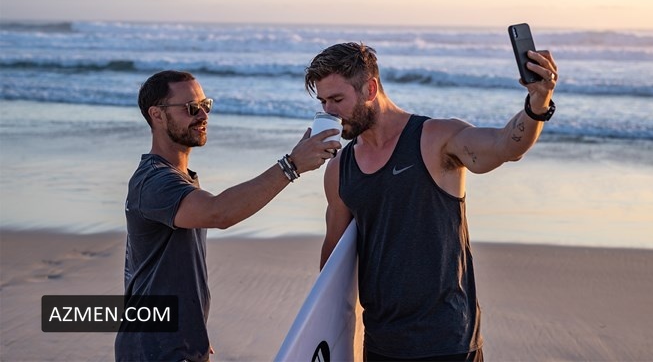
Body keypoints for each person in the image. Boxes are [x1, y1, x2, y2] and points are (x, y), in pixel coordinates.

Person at [304, 42, 558, 361]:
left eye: (337, 99)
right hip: (381, 344)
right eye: (323, 101)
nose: (328, 111)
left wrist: (538, 103)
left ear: (370, 89)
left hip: (448, 341)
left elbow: (505, 145)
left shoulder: (436, 138)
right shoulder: (340, 168)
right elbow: (333, 264)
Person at [114, 70, 341, 362]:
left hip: (171, 344)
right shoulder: (155, 181)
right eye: (191, 108)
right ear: (156, 115)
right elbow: (219, 212)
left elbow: (153, 266)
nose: (203, 115)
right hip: (154, 351)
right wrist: (291, 165)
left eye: (205, 105)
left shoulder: (178, 179)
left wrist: (190, 330)